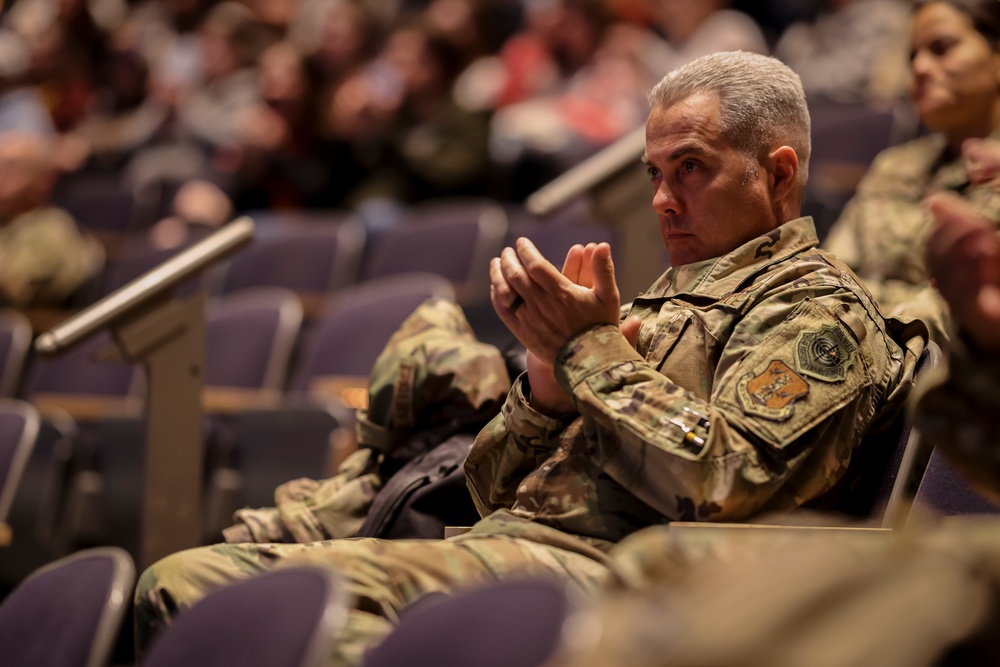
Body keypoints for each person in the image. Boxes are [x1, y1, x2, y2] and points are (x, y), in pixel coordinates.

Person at [134, 52, 925, 666]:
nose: (661, 199)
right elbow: (488, 487)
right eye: (654, 172)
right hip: (507, 545)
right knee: (193, 587)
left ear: (778, 173)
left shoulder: (818, 314)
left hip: (621, 578)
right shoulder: (667, 300)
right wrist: (545, 388)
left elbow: (726, 479)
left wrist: (588, 351)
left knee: (206, 600)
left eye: (691, 166)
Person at [823, 0, 1000, 344]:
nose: (919, 67)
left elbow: (975, 305)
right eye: (912, 57)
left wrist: (867, 319)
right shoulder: (894, 165)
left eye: (941, 48)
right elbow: (832, 274)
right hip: (856, 354)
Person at [0, 130, 103, 308]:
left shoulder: (52, 229)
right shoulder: (6, 224)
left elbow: (16, 289)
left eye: (11, 169)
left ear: (43, 180)